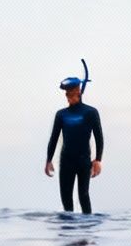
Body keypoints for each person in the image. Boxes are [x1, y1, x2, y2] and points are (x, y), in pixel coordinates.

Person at [44, 77, 104, 213]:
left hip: (83, 161)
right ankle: (67, 232)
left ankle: (87, 230)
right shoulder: (61, 115)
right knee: (66, 199)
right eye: (66, 95)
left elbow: (99, 137)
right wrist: (48, 160)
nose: (68, 97)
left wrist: (98, 160)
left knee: (83, 196)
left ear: (79, 92)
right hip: (66, 161)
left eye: (70, 94)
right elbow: (53, 139)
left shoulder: (90, 112)